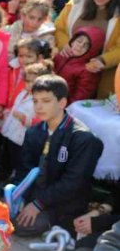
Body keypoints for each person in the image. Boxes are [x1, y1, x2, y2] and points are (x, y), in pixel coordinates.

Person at [13, 75, 103, 237]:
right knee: (2, 213)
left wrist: (38, 204)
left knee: (20, 226)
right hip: (36, 196)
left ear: (62, 102)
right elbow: (24, 169)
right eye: (35, 101)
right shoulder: (34, 132)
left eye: (46, 101)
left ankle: (56, 225)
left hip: (63, 204)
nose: (39, 107)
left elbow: (73, 183)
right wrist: (19, 198)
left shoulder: (83, 139)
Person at [53, 0, 120, 99]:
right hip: (66, 73)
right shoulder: (77, 1)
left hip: (104, 79)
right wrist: (65, 44)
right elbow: (59, 28)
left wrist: (103, 60)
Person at [0, 62, 53, 180]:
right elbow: (16, 107)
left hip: (22, 138)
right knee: (6, 158)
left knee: (19, 162)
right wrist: (7, 113)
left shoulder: (43, 101)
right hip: (11, 133)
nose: (30, 85)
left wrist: (26, 119)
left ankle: (16, 183)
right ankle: (2, 178)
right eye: (27, 81)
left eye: (34, 82)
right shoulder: (23, 93)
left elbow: (44, 121)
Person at [54, 29, 104, 103]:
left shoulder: (88, 70)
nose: (80, 46)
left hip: (64, 107)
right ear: (72, 41)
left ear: (92, 50)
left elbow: (80, 98)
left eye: (86, 45)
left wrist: (63, 108)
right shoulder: (61, 55)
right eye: (79, 41)